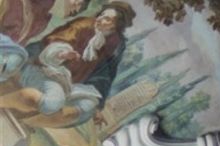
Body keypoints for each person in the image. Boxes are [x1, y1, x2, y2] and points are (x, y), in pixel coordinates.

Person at [0, 1, 135, 128]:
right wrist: (63, 54)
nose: (100, 19)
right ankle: (4, 103)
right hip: (44, 66)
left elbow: (105, 75)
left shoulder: (114, 44)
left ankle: (27, 124)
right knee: (51, 103)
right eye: (102, 15)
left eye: (108, 19)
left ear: (116, 26)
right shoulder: (85, 24)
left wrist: (98, 106)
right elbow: (55, 41)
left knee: (86, 107)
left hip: (69, 82)